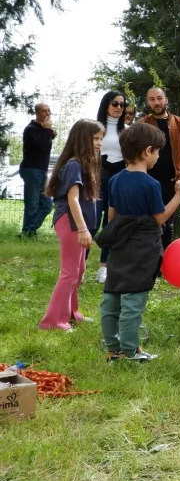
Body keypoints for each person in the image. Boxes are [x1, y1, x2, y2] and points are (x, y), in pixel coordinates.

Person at [96, 123, 180, 362]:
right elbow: (160, 217)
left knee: (112, 298)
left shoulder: (115, 180)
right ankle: (130, 351)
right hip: (142, 249)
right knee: (133, 301)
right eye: (158, 151)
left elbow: (112, 216)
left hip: (119, 247)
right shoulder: (150, 184)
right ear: (148, 151)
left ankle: (112, 350)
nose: (158, 156)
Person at [39, 119, 104, 331]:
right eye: (95, 139)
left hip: (76, 224)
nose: (99, 143)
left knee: (79, 269)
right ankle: (53, 321)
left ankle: (71, 313)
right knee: (69, 272)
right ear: (82, 139)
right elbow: (72, 199)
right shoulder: (75, 164)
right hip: (70, 223)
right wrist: (83, 229)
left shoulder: (83, 164)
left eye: (100, 139)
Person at [139, 87, 180, 251]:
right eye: (152, 99)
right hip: (147, 181)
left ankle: (163, 264)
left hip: (172, 182)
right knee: (148, 222)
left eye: (159, 98)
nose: (156, 102)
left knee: (167, 225)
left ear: (166, 99)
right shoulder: (142, 124)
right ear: (147, 102)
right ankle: (147, 260)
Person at [95, 91, 129, 283]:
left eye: (122, 105)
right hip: (98, 175)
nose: (118, 108)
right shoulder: (96, 127)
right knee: (92, 219)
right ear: (106, 104)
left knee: (111, 221)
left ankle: (103, 266)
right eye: (114, 103)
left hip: (118, 178)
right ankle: (80, 265)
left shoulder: (127, 130)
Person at [19, 103, 55, 237]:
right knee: (32, 204)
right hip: (31, 170)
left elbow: (46, 144)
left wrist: (49, 131)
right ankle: (28, 232)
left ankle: (29, 230)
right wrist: (47, 131)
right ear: (37, 113)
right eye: (44, 111)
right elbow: (42, 147)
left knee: (46, 204)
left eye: (49, 111)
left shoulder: (43, 129)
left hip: (42, 170)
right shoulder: (31, 129)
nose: (48, 113)